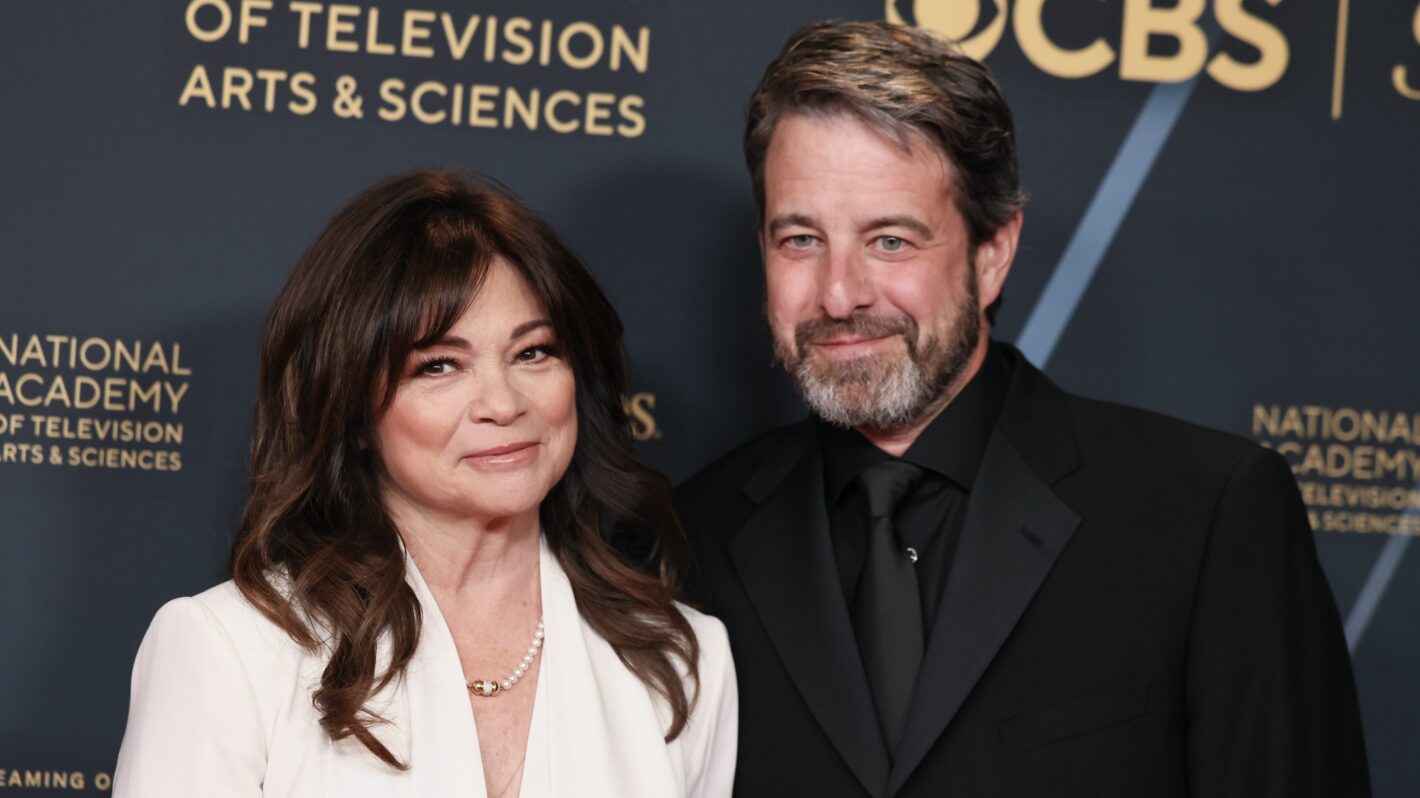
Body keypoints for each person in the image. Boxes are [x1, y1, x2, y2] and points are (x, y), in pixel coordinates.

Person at [675, 20, 1368, 798]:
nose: (840, 294)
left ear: (993, 252)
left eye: (891, 242)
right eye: (800, 240)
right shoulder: (686, 541)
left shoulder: (1206, 514)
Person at [114, 170, 737, 798]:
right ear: (354, 411)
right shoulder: (230, 652)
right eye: (439, 365)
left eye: (534, 352)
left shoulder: (681, 664)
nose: (502, 402)